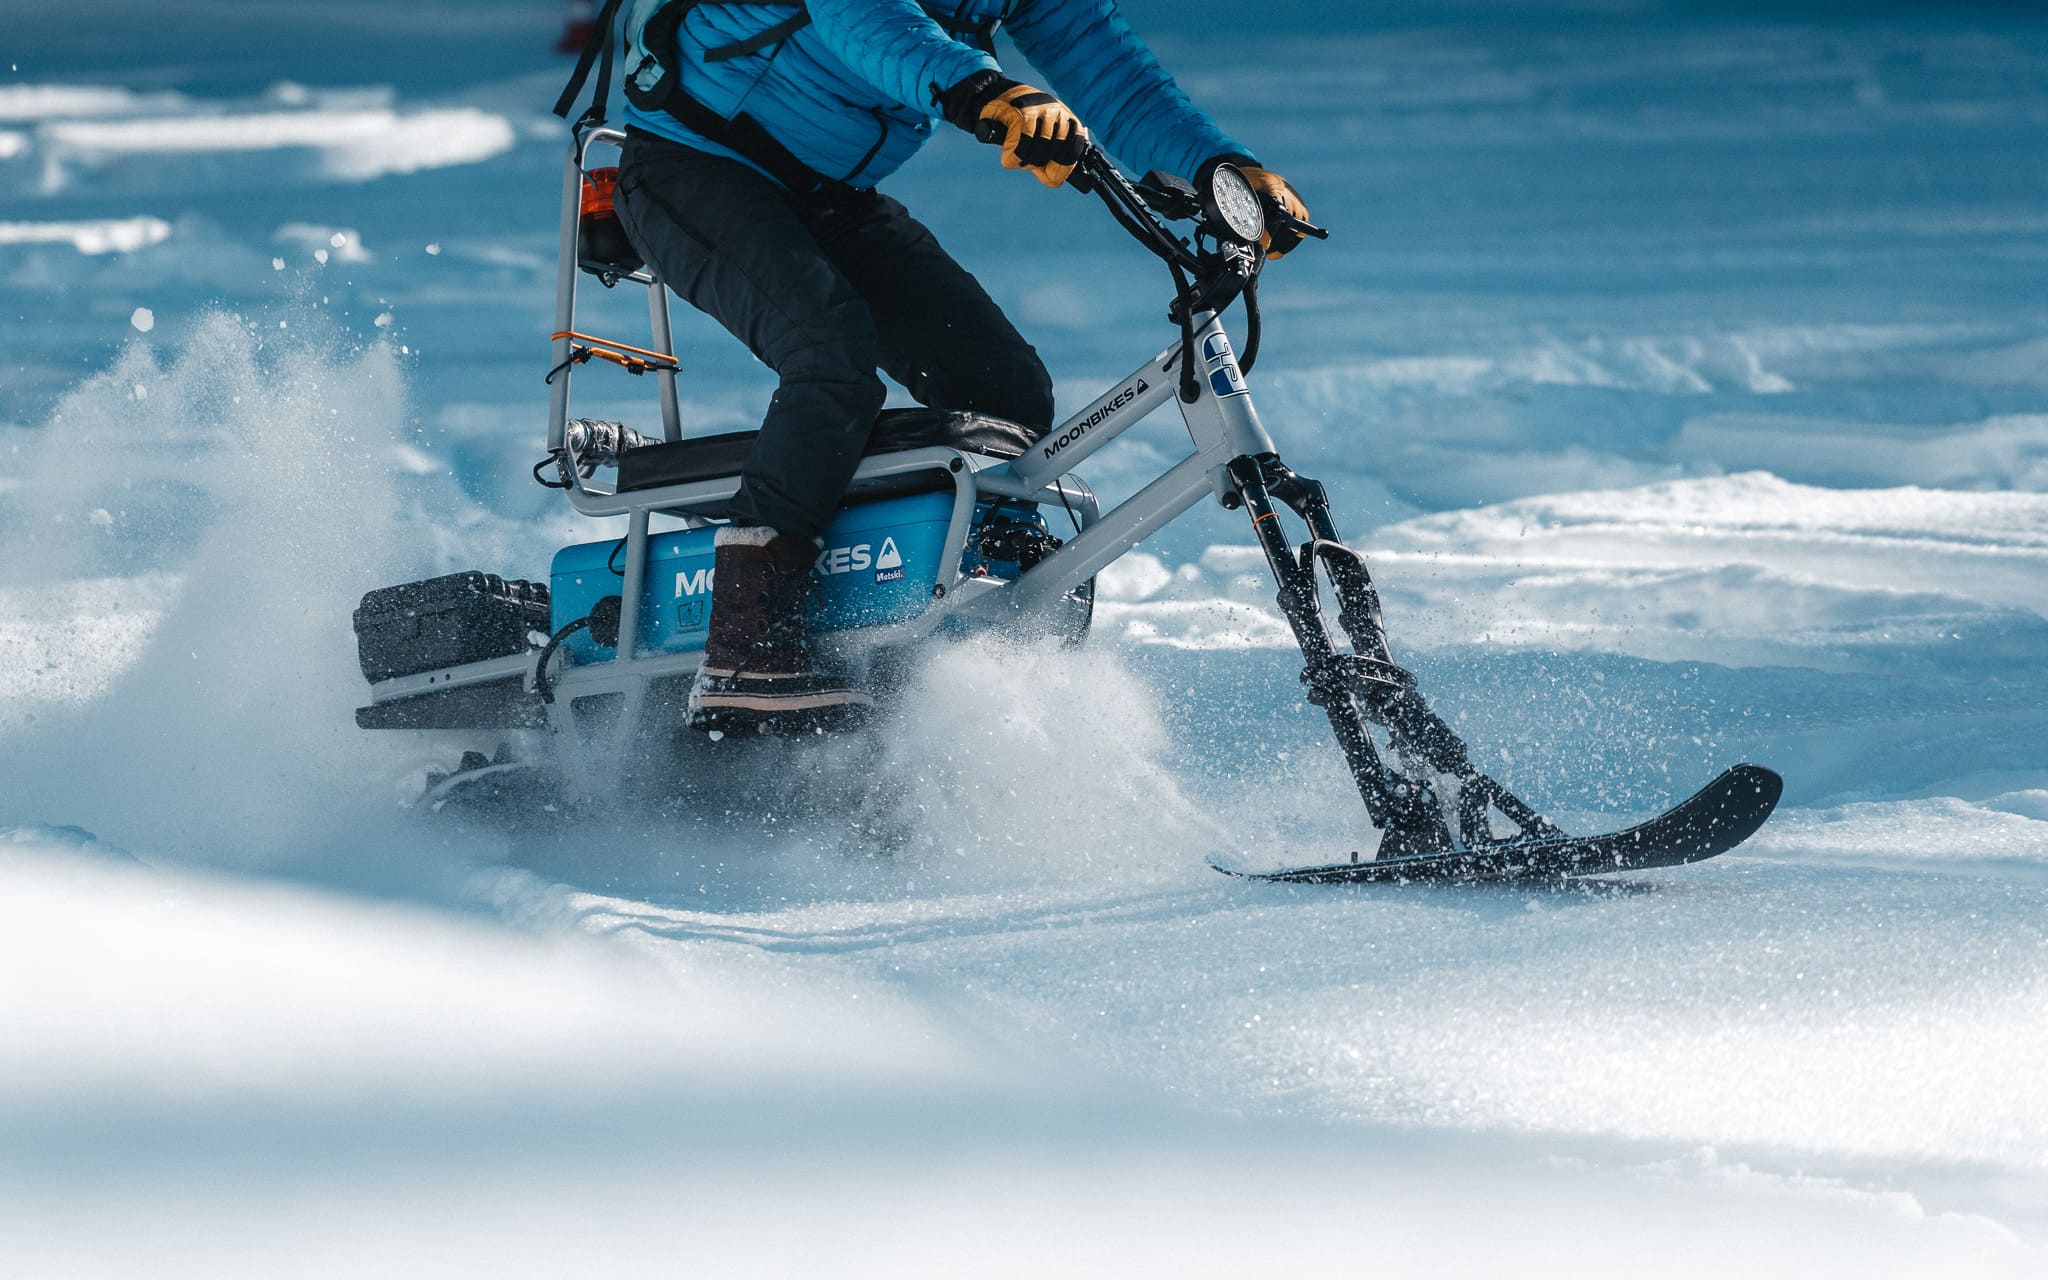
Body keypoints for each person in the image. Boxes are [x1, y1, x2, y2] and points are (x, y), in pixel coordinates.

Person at [606, 0, 1308, 732]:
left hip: (829, 195)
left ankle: (897, 631)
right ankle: (744, 649)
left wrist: (1220, 166)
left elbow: (1113, 74)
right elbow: (860, 15)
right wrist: (979, 86)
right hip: (693, 165)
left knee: (1002, 393)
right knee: (829, 358)